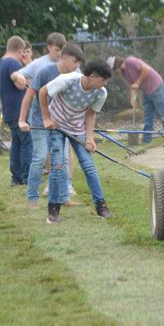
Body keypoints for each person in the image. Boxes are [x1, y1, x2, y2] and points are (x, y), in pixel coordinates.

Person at [39, 59, 113, 223]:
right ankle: (53, 209)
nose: (105, 84)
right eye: (103, 80)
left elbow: (90, 114)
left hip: (77, 129)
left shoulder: (101, 93)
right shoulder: (68, 80)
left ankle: (101, 207)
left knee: (89, 166)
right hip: (56, 127)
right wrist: (46, 118)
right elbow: (43, 92)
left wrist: (89, 138)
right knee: (57, 167)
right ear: (92, 76)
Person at [19, 43, 85, 209]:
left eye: (79, 63)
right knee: (40, 157)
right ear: (64, 57)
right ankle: (32, 198)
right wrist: (22, 119)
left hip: (59, 124)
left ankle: (64, 197)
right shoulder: (45, 71)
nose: (77, 66)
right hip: (40, 122)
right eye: (75, 61)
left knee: (61, 159)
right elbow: (29, 96)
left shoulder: (76, 74)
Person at [107, 55, 164, 144]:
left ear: (117, 64)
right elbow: (133, 86)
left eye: (115, 69)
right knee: (147, 116)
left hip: (156, 87)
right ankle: (146, 140)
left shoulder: (130, 61)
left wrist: (138, 83)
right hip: (146, 92)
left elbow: (146, 69)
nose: (116, 71)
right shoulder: (123, 73)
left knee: (163, 114)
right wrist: (133, 98)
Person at [0, 35, 32, 186]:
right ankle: (28, 176)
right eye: (23, 52)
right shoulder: (12, 63)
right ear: (19, 50)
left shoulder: (0, 63)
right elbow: (18, 83)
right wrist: (21, 76)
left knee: (16, 143)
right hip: (19, 110)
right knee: (27, 143)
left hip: (8, 111)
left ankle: (16, 177)